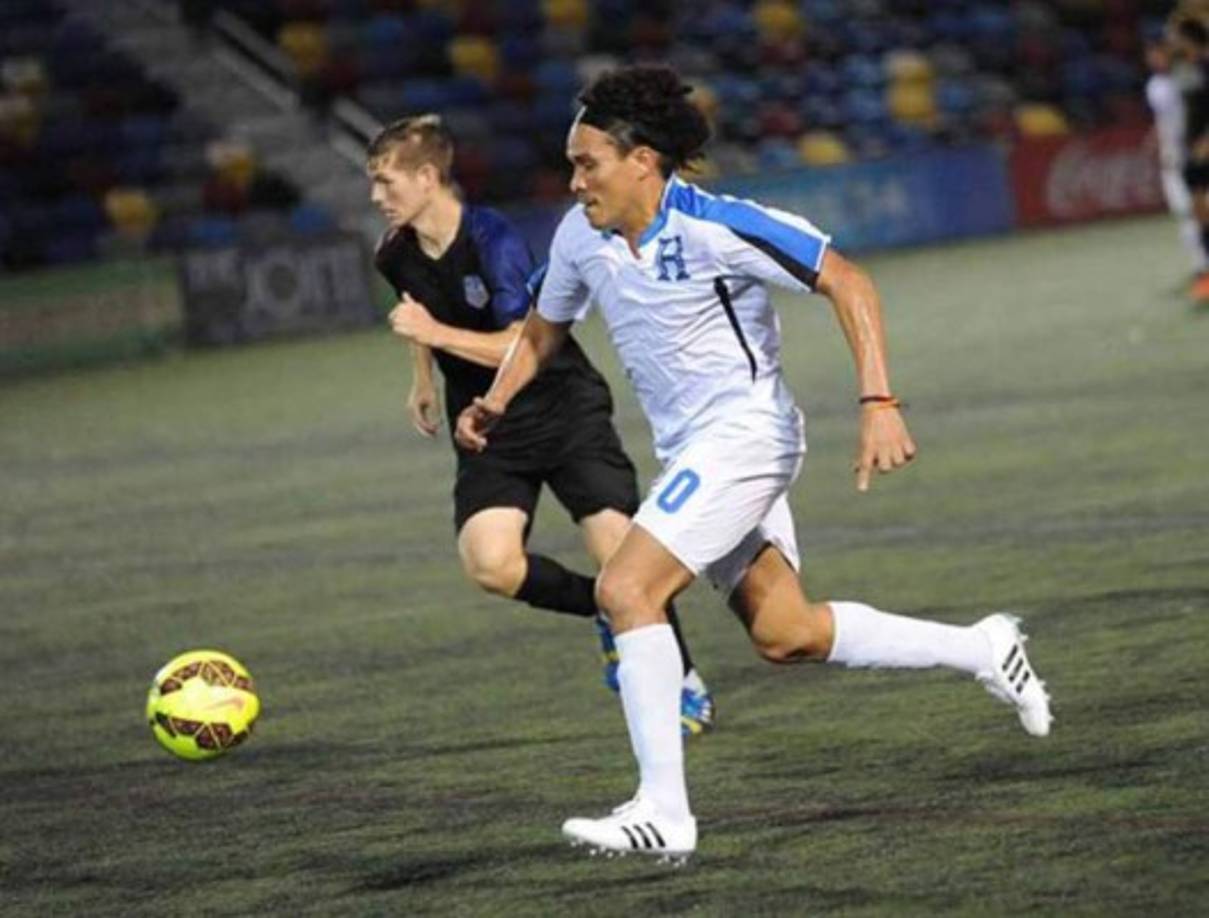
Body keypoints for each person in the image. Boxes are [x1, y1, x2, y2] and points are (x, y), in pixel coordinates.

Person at [456, 66, 1053, 861]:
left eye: (586, 163)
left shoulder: (717, 224)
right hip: (692, 452)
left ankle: (663, 813)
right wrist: (496, 402)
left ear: (641, 161)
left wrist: (878, 401)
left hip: (745, 437)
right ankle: (982, 648)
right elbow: (541, 328)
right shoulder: (578, 237)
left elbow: (847, 280)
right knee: (786, 632)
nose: (573, 181)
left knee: (624, 588)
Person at [366, 114, 714, 735]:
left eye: (385, 182)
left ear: (427, 177)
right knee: (490, 564)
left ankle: (682, 680)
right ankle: (607, 612)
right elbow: (416, 310)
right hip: (486, 425)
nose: (376, 196)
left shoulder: (493, 239)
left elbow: (522, 343)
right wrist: (423, 376)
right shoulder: (393, 252)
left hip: (562, 408)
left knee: (619, 553)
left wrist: (433, 336)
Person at [1145, 33, 1208, 277]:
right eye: (1151, 54)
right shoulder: (1154, 85)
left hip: (1198, 152)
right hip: (1174, 156)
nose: (1155, 58)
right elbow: (1165, 118)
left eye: (1160, 52)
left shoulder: (1190, 77)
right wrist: (1156, 139)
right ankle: (1201, 267)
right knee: (1185, 212)